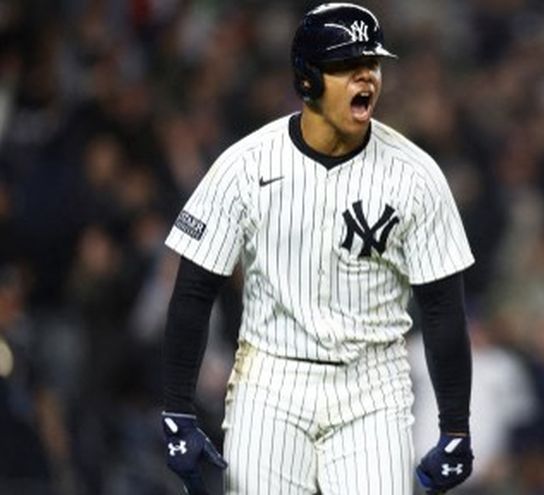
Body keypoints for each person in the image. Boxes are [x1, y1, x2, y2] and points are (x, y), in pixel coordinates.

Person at [159, 3, 475, 494]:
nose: (366, 76)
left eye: (371, 64)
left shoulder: (416, 175)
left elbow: (443, 309)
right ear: (307, 79)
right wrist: (177, 408)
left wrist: (456, 425)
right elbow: (194, 290)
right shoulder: (245, 165)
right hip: (271, 380)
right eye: (347, 65)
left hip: (373, 386)